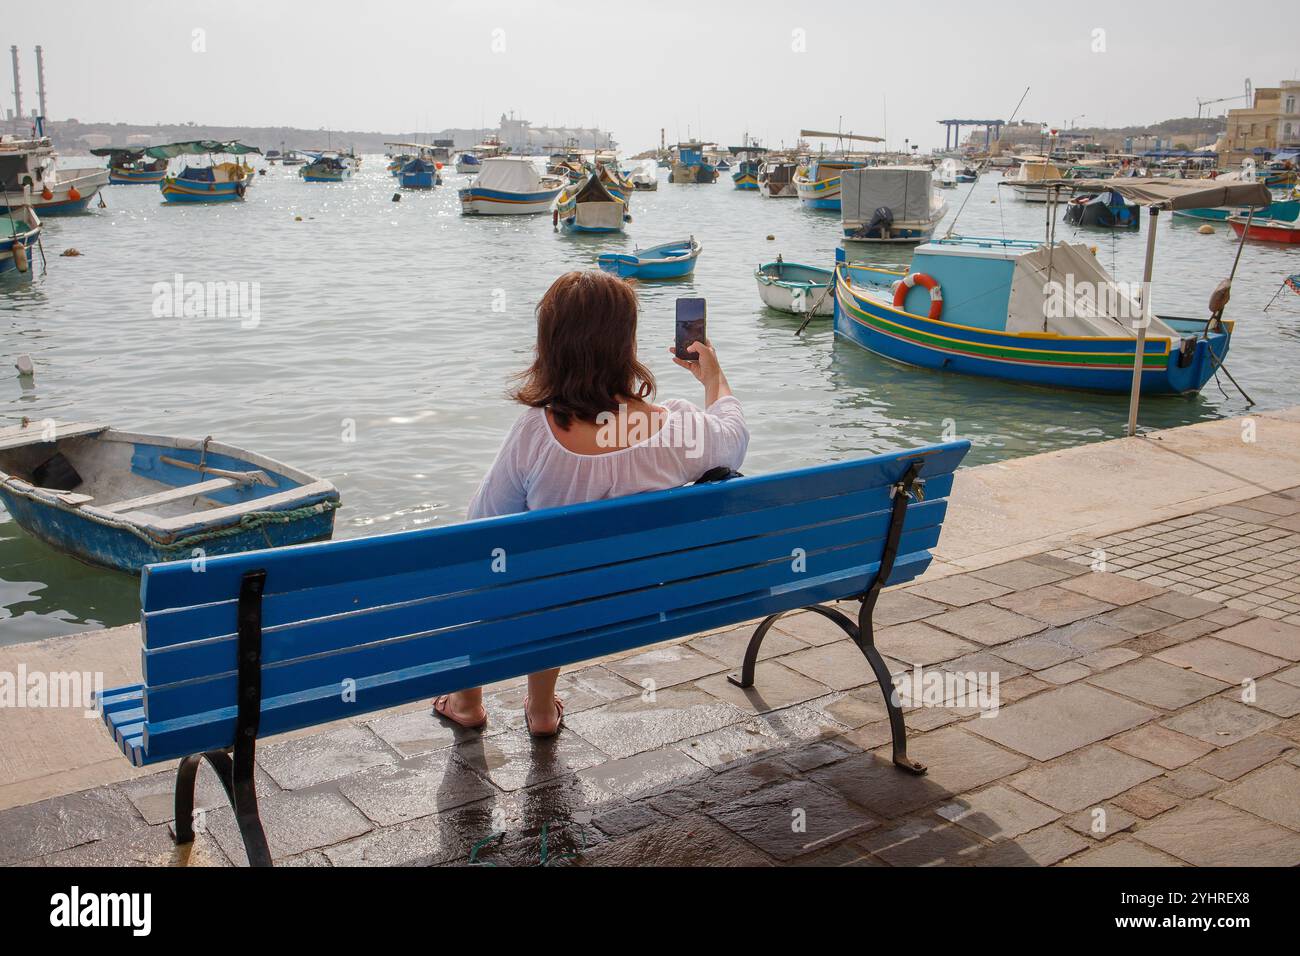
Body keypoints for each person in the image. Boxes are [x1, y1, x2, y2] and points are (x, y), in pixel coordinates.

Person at [433, 270, 749, 737]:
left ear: (552, 344)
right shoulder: (681, 428)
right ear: (627, 342)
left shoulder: (536, 434)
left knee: (500, 567)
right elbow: (735, 436)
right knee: (560, 578)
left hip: (555, 597)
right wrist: (712, 377)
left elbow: (483, 526)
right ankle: (540, 709)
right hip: (637, 600)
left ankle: (467, 700)